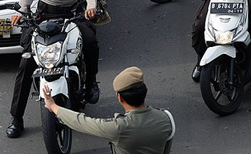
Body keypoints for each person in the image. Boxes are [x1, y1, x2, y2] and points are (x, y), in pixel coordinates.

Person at [6, 0, 100, 138]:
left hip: (76, 10)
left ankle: (90, 83)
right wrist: (21, 12)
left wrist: (91, 7)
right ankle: (16, 117)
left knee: (90, 41)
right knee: (27, 60)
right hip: (47, 11)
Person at [42, 66, 175, 154]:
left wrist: (53, 106)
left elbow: (82, 122)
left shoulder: (119, 128)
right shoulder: (166, 118)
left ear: (119, 98)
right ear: (145, 91)